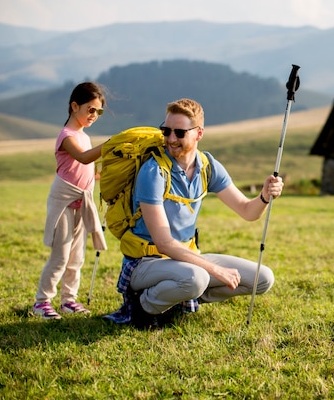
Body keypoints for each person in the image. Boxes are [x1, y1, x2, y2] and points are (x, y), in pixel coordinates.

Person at [105, 98, 281, 328]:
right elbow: (165, 243)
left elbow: (248, 211)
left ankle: (174, 301)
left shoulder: (208, 166)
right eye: (166, 131)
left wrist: (265, 196)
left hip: (187, 259)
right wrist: (216, 269)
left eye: (179, 132)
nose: (171, 139)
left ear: (199, 134)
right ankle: (144, 306)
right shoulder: (153, 172)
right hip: (146, 262)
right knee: (197, 278)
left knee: (263, 278)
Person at [33, 82, 108, 320]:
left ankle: (69, 300)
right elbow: (84, 159)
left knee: (77, 256)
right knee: (61, 256)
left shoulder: (85, 136)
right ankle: (42, 302)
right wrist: (111, 144)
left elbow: (87, 171)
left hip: (82, 203)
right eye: (90, 109)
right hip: (64, 202)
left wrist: (103, 175)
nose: (94, 115)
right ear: (74, 106)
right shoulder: (66, 136)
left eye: (99, 112)